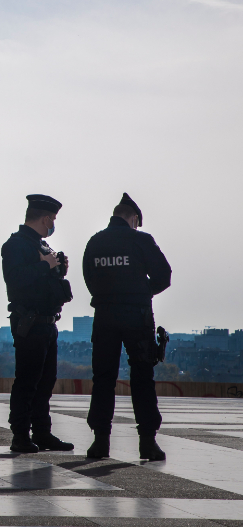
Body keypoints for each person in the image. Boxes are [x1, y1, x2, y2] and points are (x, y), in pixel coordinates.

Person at [82, 193, 171, 461]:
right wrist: (142, 293)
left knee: (103, 378)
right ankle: (147, 442)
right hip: (137, 315)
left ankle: (100, 443)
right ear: (133, 219)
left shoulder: (95, 242)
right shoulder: (140, 240)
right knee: (142, 377)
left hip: (105, 315)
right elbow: (164, 276)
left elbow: (89, 278)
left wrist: (110, 296)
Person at [1, 194, 75, 453]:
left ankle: (42, 432)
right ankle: (20, 435)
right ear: (45, 218)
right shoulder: (16, 245)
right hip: (30, 321)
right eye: (52, 219)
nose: (53, 223)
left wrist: (58, 268)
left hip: (47, 321)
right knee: (28, 381)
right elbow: (15, 279)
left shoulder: (42, 245)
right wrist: (44, 265)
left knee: (45, 381)